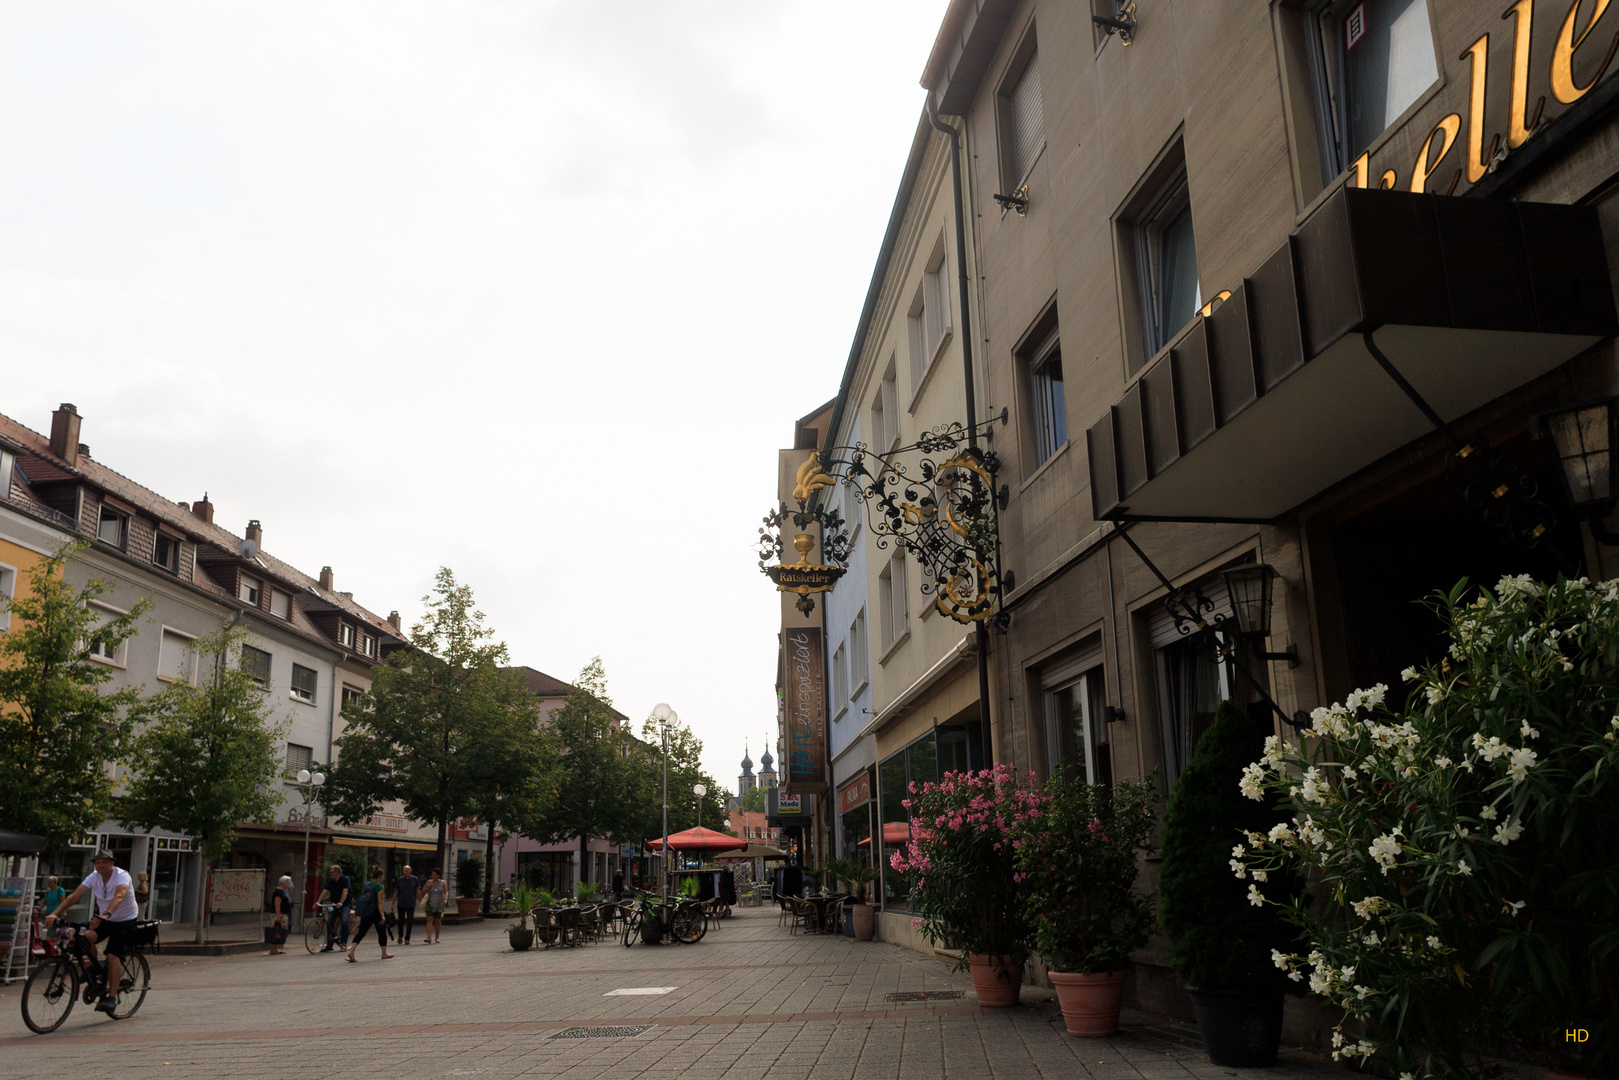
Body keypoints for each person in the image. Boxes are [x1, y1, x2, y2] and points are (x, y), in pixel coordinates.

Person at [42, 850, 138, 1015]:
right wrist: (54, 913)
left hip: (124, 920)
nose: (100, 865)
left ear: (112, 863)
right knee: (84, 938)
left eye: (104, 862)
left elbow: (119, 896)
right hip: (105, 919)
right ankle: (94, 969)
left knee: (112, 955)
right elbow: (74, 897)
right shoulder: (93, 877)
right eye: (97, 862)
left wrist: (105, 915)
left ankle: (111, 998)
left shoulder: (122, 875)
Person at [346, 865, 393, 963]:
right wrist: (382, 915)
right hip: (375, 912)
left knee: (361, 932)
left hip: (366, 912)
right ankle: (384, 953)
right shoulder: (380, 887)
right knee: (382, 932)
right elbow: (380, 902)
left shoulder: (367, 885)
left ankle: (351, 950)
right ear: (380, 876)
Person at [315, 864, 352, 952]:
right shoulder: (332, 881)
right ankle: (329, 944)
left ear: (337, 872)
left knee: (344, 920)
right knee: (329, 922)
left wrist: (341, 902)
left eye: (331, 872)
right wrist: (318, 901)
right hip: (334, 904)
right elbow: (325, 891)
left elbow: (345, 891)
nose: (330, 874)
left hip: (345, 904)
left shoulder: (345, 879)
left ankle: (343, 943)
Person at [393, 864, 420, 945]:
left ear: (410, 871)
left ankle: (407, 938)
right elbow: (396, 892)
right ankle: (400, 936)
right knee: (400, 921)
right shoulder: (399, 880)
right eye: (404, 871)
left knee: (410, 921)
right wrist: (393, 903)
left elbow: (418, 890)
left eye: (407, 870)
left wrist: (421, 901)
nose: (405, 872)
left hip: (411, 903)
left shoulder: (415, 879)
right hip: (401, 903)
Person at [267, 875, 293, 955]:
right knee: (276, 930)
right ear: (283, 882)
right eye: (288, 882)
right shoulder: (279, 892)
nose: (289, 883)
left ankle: (275, 948)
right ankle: (273, 948)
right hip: (278, 914)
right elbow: (277, 904)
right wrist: (278, 916)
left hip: (282, 913)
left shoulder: (282, 892)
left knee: (278, 930)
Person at [422, 868, 447, 944]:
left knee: (437, 920)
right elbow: (422, 892)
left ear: (438, 875)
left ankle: (437, 937)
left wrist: (445, 899)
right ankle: (428, 937)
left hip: (439, 904)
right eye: (432, 874)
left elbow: (446, 892)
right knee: (429, 919)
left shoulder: (442, 883)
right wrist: (427, 887)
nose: (433, 876)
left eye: (434, 874)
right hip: (430, 903)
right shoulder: (428, 882)